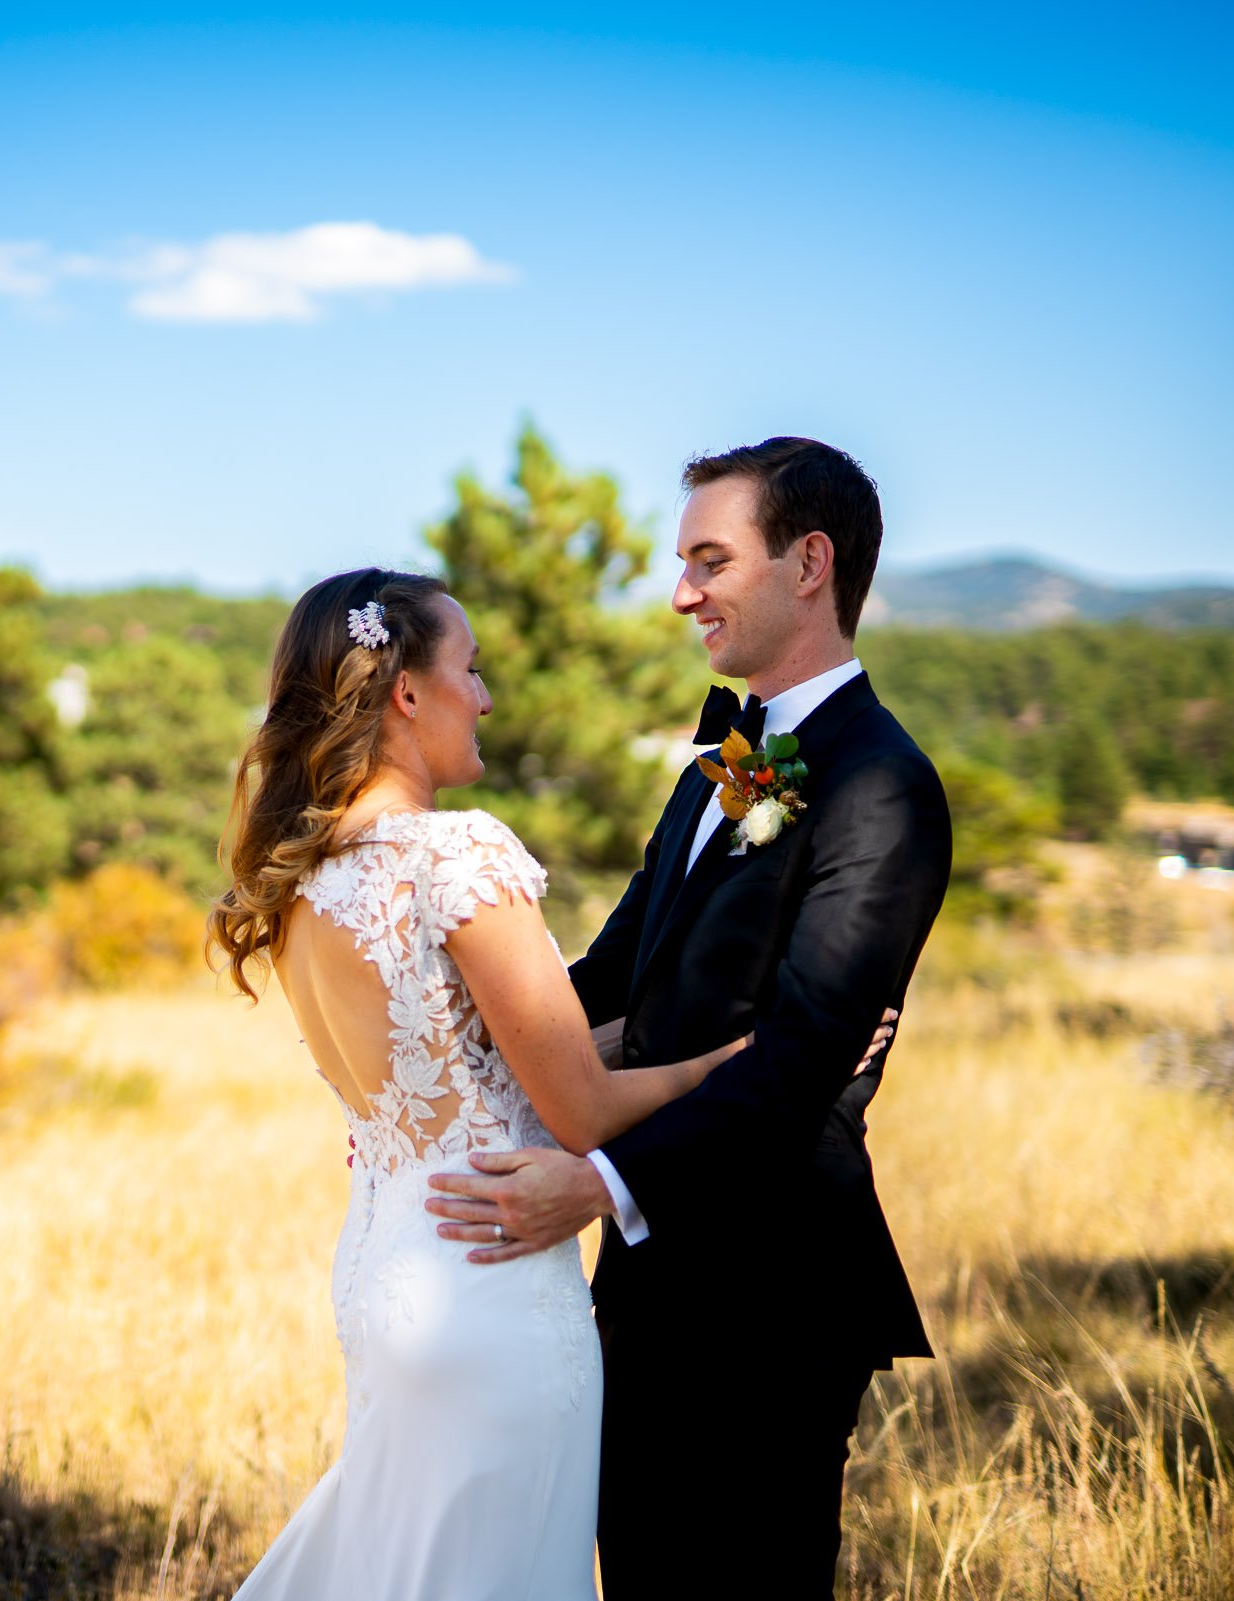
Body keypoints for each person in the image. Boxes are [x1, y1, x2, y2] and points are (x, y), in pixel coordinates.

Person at [205, 564, 894, 1600]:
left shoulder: (308, 876)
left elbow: (491, 1048)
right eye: (470, 670)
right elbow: (576, 1104)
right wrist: (737, 1057)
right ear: (406, 691)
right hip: (491, 1284)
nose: (484, 696)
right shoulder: (457, 850)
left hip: (386, 1265)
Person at [424, 437, 952, 1597]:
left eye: (711, 560)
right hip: (651, 1287)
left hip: (770, 1294)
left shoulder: (883, 781)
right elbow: (620, 970)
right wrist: (437, 1028)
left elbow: (807, 1055)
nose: (681, 593)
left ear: (810, 562)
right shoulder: (738, 753)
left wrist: (599, 1181)